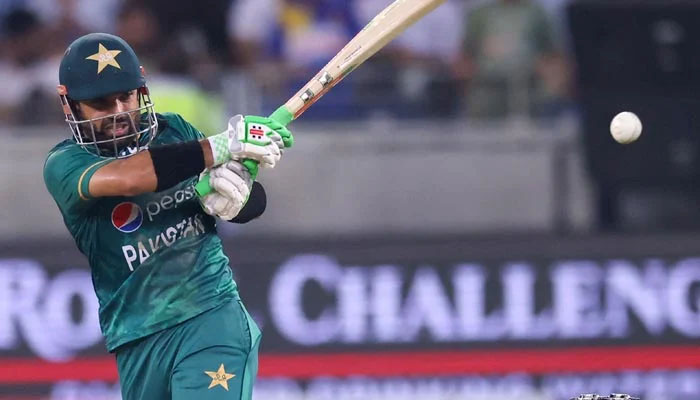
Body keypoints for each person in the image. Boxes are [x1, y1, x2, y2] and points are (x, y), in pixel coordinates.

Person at [43, 32, 293, 400]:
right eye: (100, 104)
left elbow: (253, 202)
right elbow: (131, 177)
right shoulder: (65, 164)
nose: (119, 113)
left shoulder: (175, 130)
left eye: (125, 96)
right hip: (136, 339)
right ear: (71, 105)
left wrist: (235, 201)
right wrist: (221, 145)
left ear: (141, 89)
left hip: (209, 319)